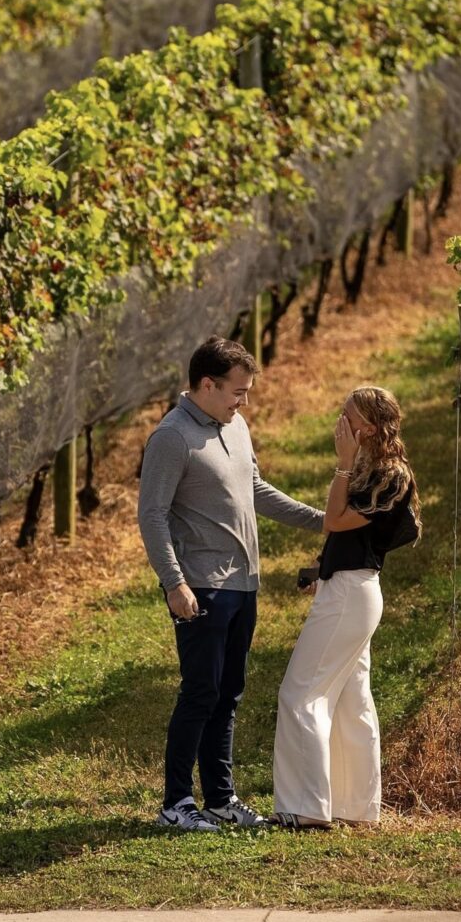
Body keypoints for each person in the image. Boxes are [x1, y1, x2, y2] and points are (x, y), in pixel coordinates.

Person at [138, 336, 325, 832]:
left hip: (243, 585)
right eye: (236, 392)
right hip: (201, 587)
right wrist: (174, 583)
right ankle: (176, 804)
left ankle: (220, 798)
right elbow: (152, 516)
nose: (243, 401)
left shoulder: (235, 426)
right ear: (206, 384)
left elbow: (254, 490)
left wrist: (321, 521)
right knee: (200, 692)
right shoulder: (172, 437)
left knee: (229, 693)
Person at [272, 385, 421, 830]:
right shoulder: (373, 468)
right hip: (348, 588)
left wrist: (340, 465)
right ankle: (355, 807)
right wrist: (322, 567)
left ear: (370, 428)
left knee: (300, 695)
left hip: (351, 595)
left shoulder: (389, 474)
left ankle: (303, 808)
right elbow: (345, 536)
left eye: (348, 417)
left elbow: (334, 520)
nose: (341, 424)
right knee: (351, 701)